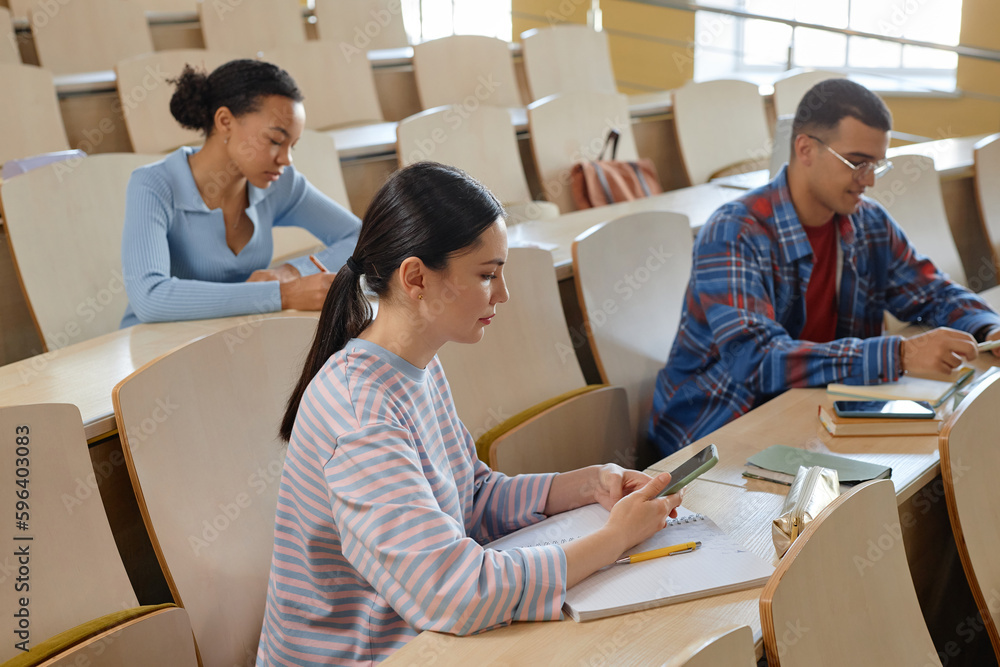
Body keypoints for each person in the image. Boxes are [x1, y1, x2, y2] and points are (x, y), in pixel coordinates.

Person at [257, 162, 683, 666]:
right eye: (487, 275)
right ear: (415, 277)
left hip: (425, 641)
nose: (502, 294)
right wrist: (614, 540)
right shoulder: (359, 413)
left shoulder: (417, 363)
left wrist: (591, 483)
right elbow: (452, 592)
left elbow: (469, 497)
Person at [649, 79, 1000, 456]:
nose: (868, 180)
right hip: (716, 430)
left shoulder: (867, 221)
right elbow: (757, 361)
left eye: (876, 165)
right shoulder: (735, 231)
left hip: (813, 410)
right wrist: (900, 355)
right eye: (857, 163)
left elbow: (933, 293)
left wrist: (989, 328)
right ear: (805, 149)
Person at [119, 59, 361, 327]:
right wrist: (284, 294)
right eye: (275, 141)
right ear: (225, 121)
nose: (286, 159)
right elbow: (150, 298)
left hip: (231, 339)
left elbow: (361, 238)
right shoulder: (153, 185)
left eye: (292, 145)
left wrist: (292, 272)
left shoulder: (281, 183)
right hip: (153, 350)